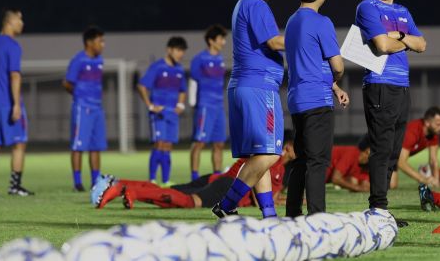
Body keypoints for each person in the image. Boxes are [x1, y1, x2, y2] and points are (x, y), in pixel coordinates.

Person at [212, 0, 285, 219]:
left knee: (259, 154)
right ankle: (227, 204)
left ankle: (269, 215)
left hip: (243, 86)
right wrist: (307, 40)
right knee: (270, 154)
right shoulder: (256, 5)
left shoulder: (244, 4)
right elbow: (275, 43)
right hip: (259, 88)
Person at [355, 0, 426, 211]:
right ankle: (378, 208)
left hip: (401, 86)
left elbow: (422, 44)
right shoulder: (367, 7)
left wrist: (399, 35)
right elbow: (382, 45)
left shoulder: (403, 11)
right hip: (379, 83)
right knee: (382, 149)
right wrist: (404, 40)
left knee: (394, 153)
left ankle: (382, 210)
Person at [284, 0, 349, 217]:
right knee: (318, 161)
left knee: (302, 159)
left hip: (298, 99)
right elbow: (337, 65)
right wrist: (337, 78)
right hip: (317, 101)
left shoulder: (291, 21)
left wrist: (334, 87)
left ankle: (292, 214)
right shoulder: (322, 22)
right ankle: (317, 217)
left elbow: (307, 62)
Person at [95, 139, 296, 210]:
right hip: (226, 186)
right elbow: (258, 193)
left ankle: (122, 185)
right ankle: (131, 191)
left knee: (170, 192)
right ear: (288, 147)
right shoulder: (273, 161)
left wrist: (282, 199)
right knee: (190, 202)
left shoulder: (271, 158)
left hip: (216, 179)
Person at [0, 8, 34, 197]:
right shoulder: (12, 46)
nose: (22, 24)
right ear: (9, 22)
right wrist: (16, 104)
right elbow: (14, 75)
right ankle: (15, 186)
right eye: (20, 20)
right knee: (19, 143)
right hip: (7, 102)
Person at [137, 37, 188, 186]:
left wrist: (181, 104)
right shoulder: (157, 67)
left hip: (172, 113)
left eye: (182, 51)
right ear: (169, 50)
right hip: (159, 113)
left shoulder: (179, 69)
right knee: (159, 143)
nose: (180, 54)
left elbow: (183, 90)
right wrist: (150, 105)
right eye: (178, 50)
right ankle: (152, 179)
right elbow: (141, 86)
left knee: (168, 145)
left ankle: (166, 180)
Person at [63, 26, 106, 191]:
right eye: (100, 41)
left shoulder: (100, 60)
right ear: (89, 42)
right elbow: (67, 83)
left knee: (96, 146)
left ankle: (96, 182)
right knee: (78, 145)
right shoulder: (78, 60)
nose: (103, 45)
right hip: (83, 108)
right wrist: (80, 96)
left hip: (97, 108)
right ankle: (77, 183)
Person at [189, 24, 228, 181]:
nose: (223, 42)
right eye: (221, 39)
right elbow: (193, 81)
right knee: (199, 142)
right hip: (205, 105)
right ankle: (195, 177)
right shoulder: (199, 59)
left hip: (219, 106)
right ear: (211, 41)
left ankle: (217, 176)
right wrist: (193, 103)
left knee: (219, 144)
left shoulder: (220, 59)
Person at [396, 107, 440, 187]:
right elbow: (401, 162)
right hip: (381, 154)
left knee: (392, 185)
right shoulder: (412, 131)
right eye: (438, 124)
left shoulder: (434, 133)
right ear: (427, 122)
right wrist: (423, 179)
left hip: (392, 159)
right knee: (387, 186)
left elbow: (433, 160)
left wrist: (436, 181)